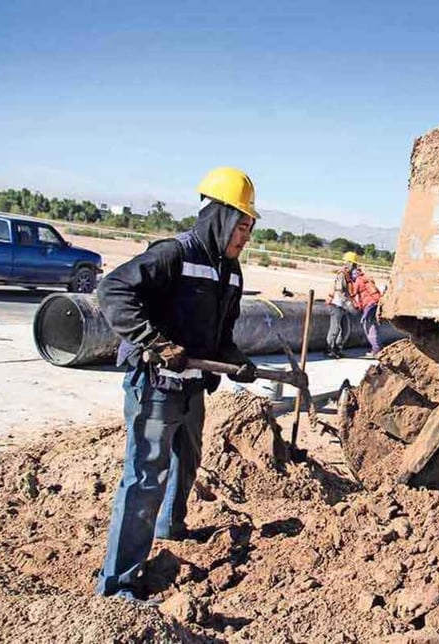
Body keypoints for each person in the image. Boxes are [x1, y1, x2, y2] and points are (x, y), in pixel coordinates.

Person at [95, 167, 260, 600]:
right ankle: (118, 585)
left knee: (187, 460)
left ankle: (172, 526)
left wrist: (238, 362)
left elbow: (222, 337)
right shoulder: (173, 254)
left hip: (191, 386)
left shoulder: (232, 273)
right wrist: (154, 341)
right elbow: (113, 291)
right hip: (155, 383)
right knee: (146, 477)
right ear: (220, 217)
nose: (245, 237)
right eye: (242, 226)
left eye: (250, 228)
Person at [347, 253, 383, 356]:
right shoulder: (366, 278)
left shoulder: (358, 280)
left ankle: (376, 349)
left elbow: (353, 293)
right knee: (373, 325)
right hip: (376, 303)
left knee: (368, 326)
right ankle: (378, 347)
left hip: (369, 305)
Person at [325, 255, 355, 358]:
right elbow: (340, 290)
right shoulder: (342, 275)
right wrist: (349, 303)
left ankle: (338, 349)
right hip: (337, 305)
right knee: (335, 329)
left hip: (344, 307)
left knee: (346, 329)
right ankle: (329, 349)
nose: (355, 267)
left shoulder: (349, 276)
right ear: (349, 263)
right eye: (354, 264)